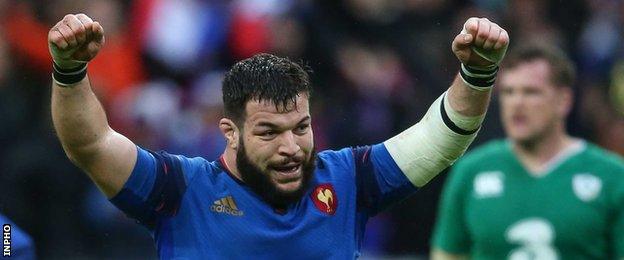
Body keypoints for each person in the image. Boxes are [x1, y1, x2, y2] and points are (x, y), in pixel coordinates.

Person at [48, 13, 509, 258]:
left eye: (301, 128)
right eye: (269, 132)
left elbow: (441, 137)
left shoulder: (348, 179)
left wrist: (476, 73)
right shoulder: (180, 188)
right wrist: (70, 72)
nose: (292, 148)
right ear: (229, 132)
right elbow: (89, 143)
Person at [431, 44, 624, 259]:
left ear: (564, 101)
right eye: (508, 92)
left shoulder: (613, 176)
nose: (517, 103)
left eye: (531, 92)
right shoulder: (471, 170)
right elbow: (448, 255)